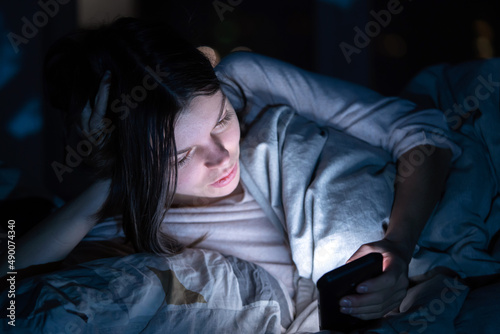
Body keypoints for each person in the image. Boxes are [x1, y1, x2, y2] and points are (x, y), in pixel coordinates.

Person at [1, 17, 460, 330]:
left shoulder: (245, 79)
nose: (222, 157)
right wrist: (117, 174)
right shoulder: (124, 217)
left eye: (221, 119)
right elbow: (9, 290)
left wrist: (398, 243)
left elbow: (422, 130)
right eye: (181, 156)